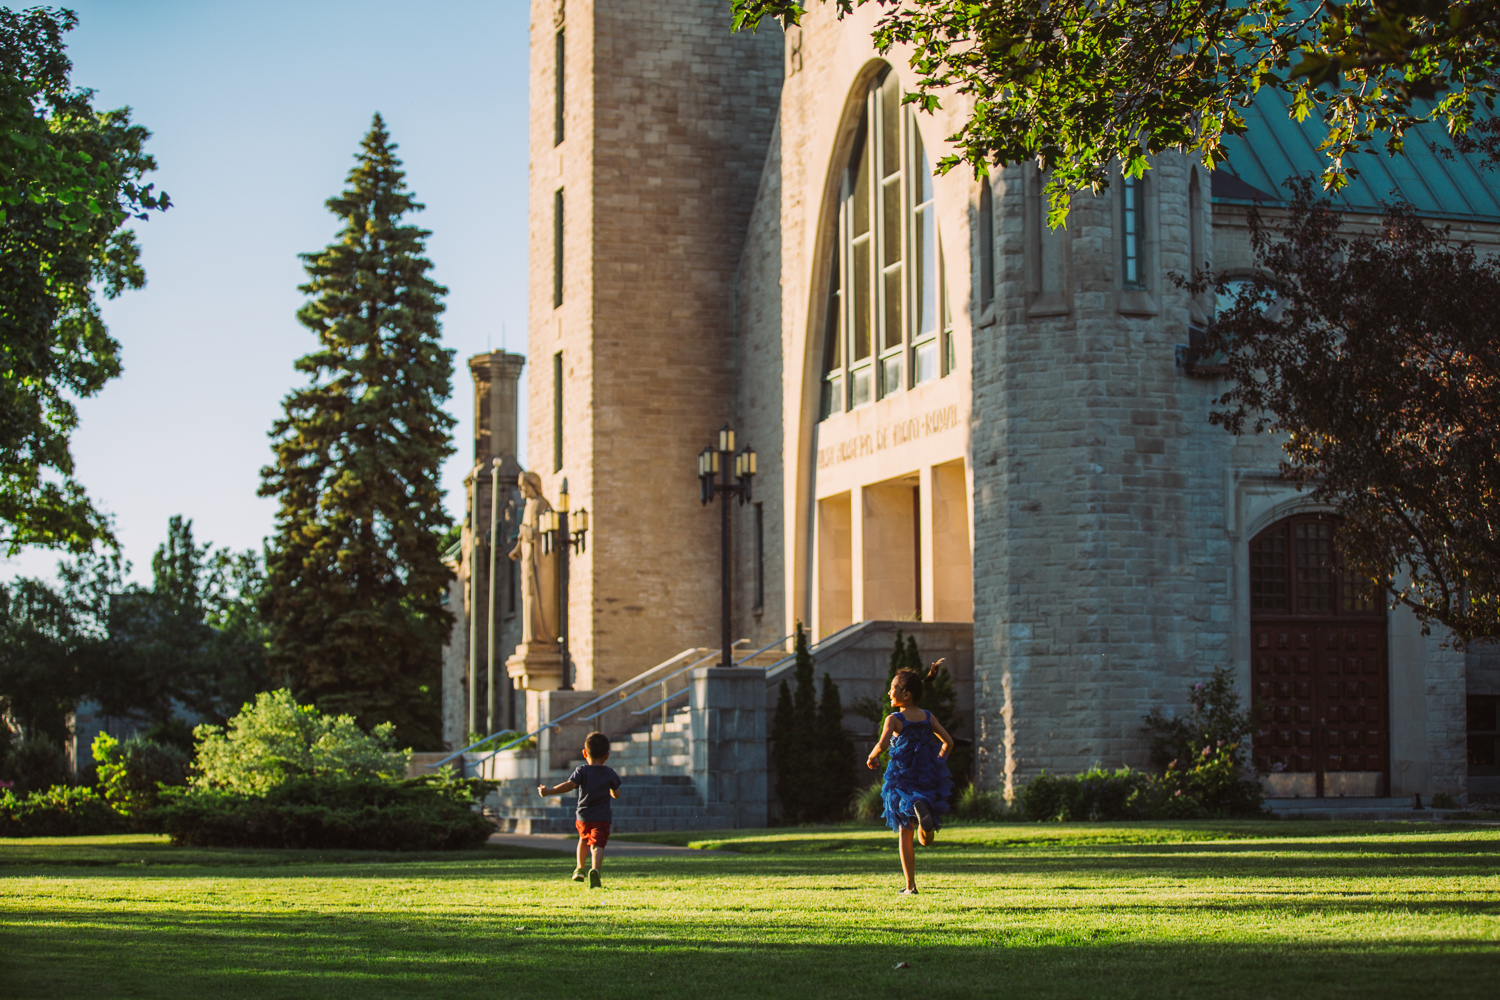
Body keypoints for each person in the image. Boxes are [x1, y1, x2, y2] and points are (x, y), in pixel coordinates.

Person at [867, 661, 955, 894]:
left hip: (902, 777)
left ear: (905, 694)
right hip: (926, 775)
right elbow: (949, 742)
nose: (889, 692)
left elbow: (883, 744)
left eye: (893, 688)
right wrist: (939, 761)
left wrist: (872, 755)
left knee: (904, 830)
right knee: (926, 839)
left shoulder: (894, 719)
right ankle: (925, 826)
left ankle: (910, 886)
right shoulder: (928, 716)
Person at [538, 731, 621, 888]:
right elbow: (616, 794)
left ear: (584, 753)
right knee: (597, 845)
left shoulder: (582, 770)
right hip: (601, 817)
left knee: (583, 840)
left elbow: (569, 785)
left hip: (583, 816)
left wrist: (549, 791)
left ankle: (580, 868)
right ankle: (595, 869)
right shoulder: (609, 773)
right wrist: (612, 790)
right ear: (607, 756)